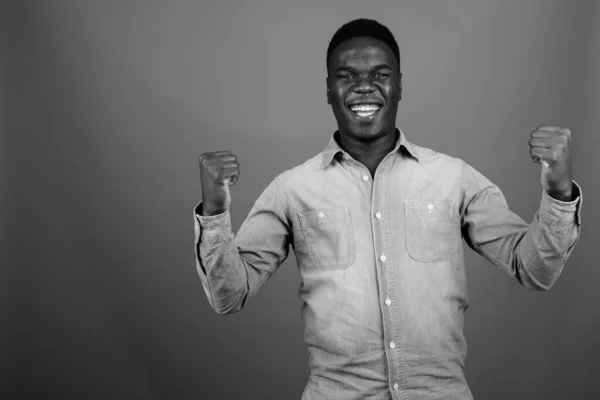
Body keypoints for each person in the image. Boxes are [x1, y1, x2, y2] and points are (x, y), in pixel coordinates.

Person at [193, 18, 582, 400]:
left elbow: (534, 270)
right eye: (346, 76)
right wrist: (214, 212)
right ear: (329, 90)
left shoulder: (453, 178)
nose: (364, 86)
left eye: (380, 74)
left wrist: (559, 193)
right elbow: (229, 295)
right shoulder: (292, 189)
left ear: (399, 86)